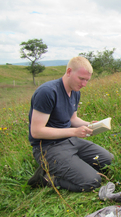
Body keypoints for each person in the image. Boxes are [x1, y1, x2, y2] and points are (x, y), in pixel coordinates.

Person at [27, 56, 114, 192]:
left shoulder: (75, 92)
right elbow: (36, 131)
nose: (84, 84)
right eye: (81, 79)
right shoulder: (47, 92)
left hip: (70, 140)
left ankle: (74, 165)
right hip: (48, 147)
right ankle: (46, 178)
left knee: (109, 161)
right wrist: (74, 132)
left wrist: (89, 124)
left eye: (87, 80)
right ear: (68, 72)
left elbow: (72, 119)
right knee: (92, 181)